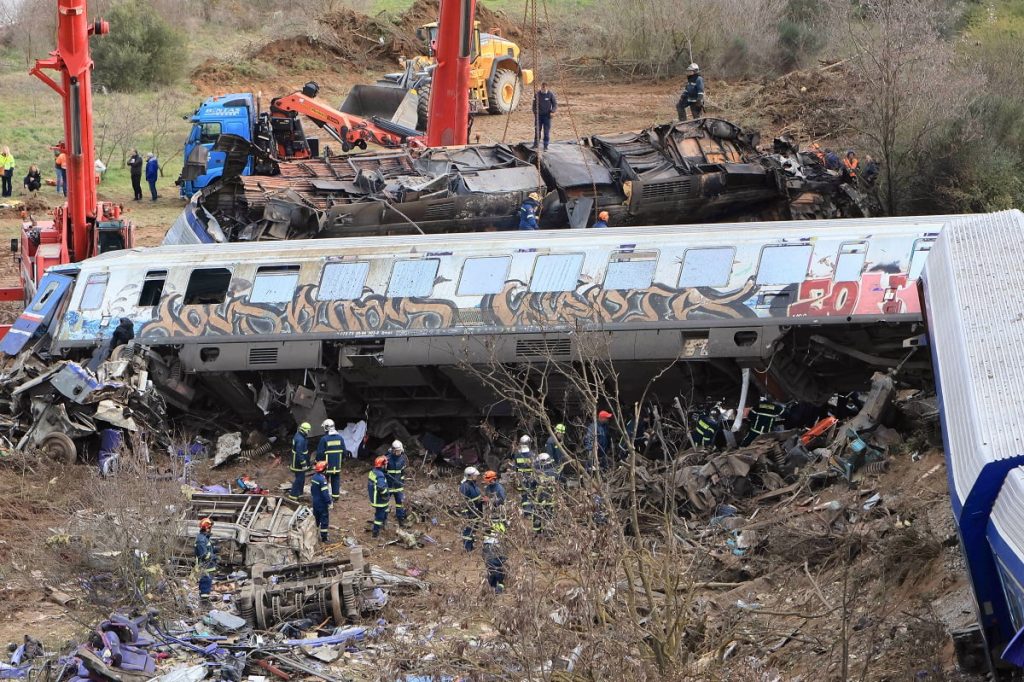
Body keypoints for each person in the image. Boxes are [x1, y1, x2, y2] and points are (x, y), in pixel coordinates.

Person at [316, 419, 345, 501]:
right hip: (337, 465)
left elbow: (320, 453)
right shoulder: (340, 438)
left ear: (326, 428)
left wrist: (318, 461)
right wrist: (341, 460)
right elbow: (344, 451)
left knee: (324, 481)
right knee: (335, 479)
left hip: (326, 465)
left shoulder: (324, 439)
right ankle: (335, 497)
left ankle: (324, 496)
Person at [385, 440, 410, 528]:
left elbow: (402, 473)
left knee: (400, 504)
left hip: (398, 487)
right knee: (384, 504)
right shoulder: (387, 459)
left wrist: (402, 483)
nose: (398, 453)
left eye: (399, 451)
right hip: (389, 486)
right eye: (397, 451)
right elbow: (383, 472)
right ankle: (383, 521)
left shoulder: (402, 459)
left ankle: (401, 521)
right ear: (393, 450)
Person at [460, 466, 483, 552]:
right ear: (470, 476)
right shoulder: (465, 486)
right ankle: (468, 548)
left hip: (476, 511)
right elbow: (463, 502)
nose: (476, 476)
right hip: (470, 512)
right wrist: (466, 513)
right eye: (475, 475)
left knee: (474, 529)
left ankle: (471, 545)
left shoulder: (473, 484)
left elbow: (476, 497)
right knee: (468, 529)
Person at [512, 434, 536, 519]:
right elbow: (536, 467)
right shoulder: (532, 455)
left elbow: (515, 467)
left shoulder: (517, 455)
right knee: (531, 494)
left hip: (521, 478)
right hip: (530, 478)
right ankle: (530, 512)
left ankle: (526, 512)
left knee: (524, 495)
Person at [532, 452, 556, 533]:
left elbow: (533, 484)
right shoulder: (554, 472)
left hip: (540, 498)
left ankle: (537, 532)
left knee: (537, 515)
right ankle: (548, 532)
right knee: (549, 515)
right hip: (551, 498)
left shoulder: (538, 473)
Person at [368, 455, 390, 538]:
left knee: (385, 509)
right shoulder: (380, 476)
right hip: (380, 499)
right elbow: (381, 488)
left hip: (375, 497)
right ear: (382, 465)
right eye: (386, 464)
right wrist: (386, 494)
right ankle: (375, 532)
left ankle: (383, 523)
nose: (387, 465)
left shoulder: (373, 472)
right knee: (379, 516)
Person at [310, 461, 332, 543]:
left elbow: (312, 489)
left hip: (315, 501)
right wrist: (329, 501)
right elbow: (325, 493)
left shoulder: (314, 477)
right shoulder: (322, 480)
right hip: (322, 503)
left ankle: (314, 534)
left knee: (316, 519)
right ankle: (324, 538)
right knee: (324, 520)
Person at [195, 517, 217, 600]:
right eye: (210, 527)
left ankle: (205, 598)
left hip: (208, 565)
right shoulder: (201, 540)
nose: (211, 529)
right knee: (205, 583)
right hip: (205, 566)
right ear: (207, 528)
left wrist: (215, 549)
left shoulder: (204, 538)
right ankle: (204, 602)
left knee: (207, 583)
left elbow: (208, 549)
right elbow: (203, 555)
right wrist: (214, 556)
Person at [289, 422, 311, 500]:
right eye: (308, 430)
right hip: (298, 463)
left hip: (297, 461)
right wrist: (304, 464)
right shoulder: (300, 439)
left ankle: (300, 493)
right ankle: (293, 494)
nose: (308, 432)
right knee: (299, 479)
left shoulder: (298, 435)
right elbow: (299, 453)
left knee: (301, 478)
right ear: (305, 430)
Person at [531, 82, 557, 150]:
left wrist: (552, 111)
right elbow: (534, 105)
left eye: (545, 88)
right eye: (542, 88)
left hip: (547, 117)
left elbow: (555, 104)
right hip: (538, 116)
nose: (543, 89)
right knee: (537, 131)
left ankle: (545, 146)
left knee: (546, 132)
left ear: (547, 87)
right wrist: (535, 112)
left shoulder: (550, 94)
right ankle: (536, 144)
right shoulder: (537, 94)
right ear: (541, 87)